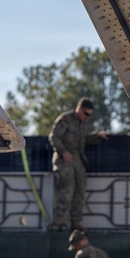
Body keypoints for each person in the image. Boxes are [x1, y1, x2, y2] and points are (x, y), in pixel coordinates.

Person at [49, 98, 108, 231]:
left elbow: (84, 139)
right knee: (66, 191)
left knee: (80, 191)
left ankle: (76, 222)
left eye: (89, 115)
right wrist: (63, 152)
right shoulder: (65, 119)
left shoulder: (83, 123)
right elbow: (54, 137)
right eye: (86, 113)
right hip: (64, 161)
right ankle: (59, 222)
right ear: (79, 109)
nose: (87, 117)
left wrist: (98, 136)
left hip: (77, 161)